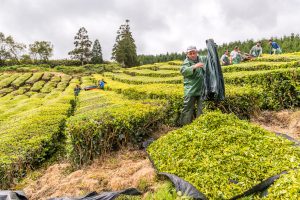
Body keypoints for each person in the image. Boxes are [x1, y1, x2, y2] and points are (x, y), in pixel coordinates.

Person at [180, 46, 205, 126]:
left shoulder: (201, 59)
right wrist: (194, 66)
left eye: (194, 53)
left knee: (202, 108)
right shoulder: (186, 62)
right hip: (191, 89)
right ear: (187, 54)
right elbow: (183, 71)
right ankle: (185, 125)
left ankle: (199, 125)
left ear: (197, 53)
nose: (193, 55)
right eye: (190, 53)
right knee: (187, 108)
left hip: (202, 89)